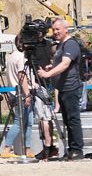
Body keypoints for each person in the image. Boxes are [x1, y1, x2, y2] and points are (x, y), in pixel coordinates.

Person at [36, 18, 83, 160]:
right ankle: (70, 150)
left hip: (70, 87)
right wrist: (52, 66)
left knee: (73, 119)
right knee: (67, 121)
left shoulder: (70, 44)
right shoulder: (61, 45)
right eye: (54, 29)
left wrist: (47, 74)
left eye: (58, 29)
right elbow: (59, 63)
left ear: (65, 29)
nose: (55, 32)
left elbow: (65, 64)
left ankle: (77, 150)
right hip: (62, 88)